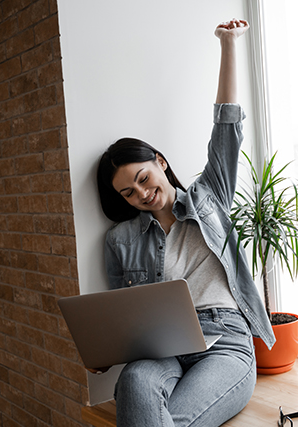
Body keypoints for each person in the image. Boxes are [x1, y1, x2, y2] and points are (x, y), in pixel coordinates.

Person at [96, 19, 275, 427]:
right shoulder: (120, 240)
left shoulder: (209, 196)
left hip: (226, 340)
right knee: (134, 382)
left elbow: (226, 127)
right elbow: (122, 318)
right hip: (163, 348)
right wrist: (103, 355)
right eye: (128, 193)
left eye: (143, 178)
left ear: (160, 162)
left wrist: (228, 44)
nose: (141, 194)